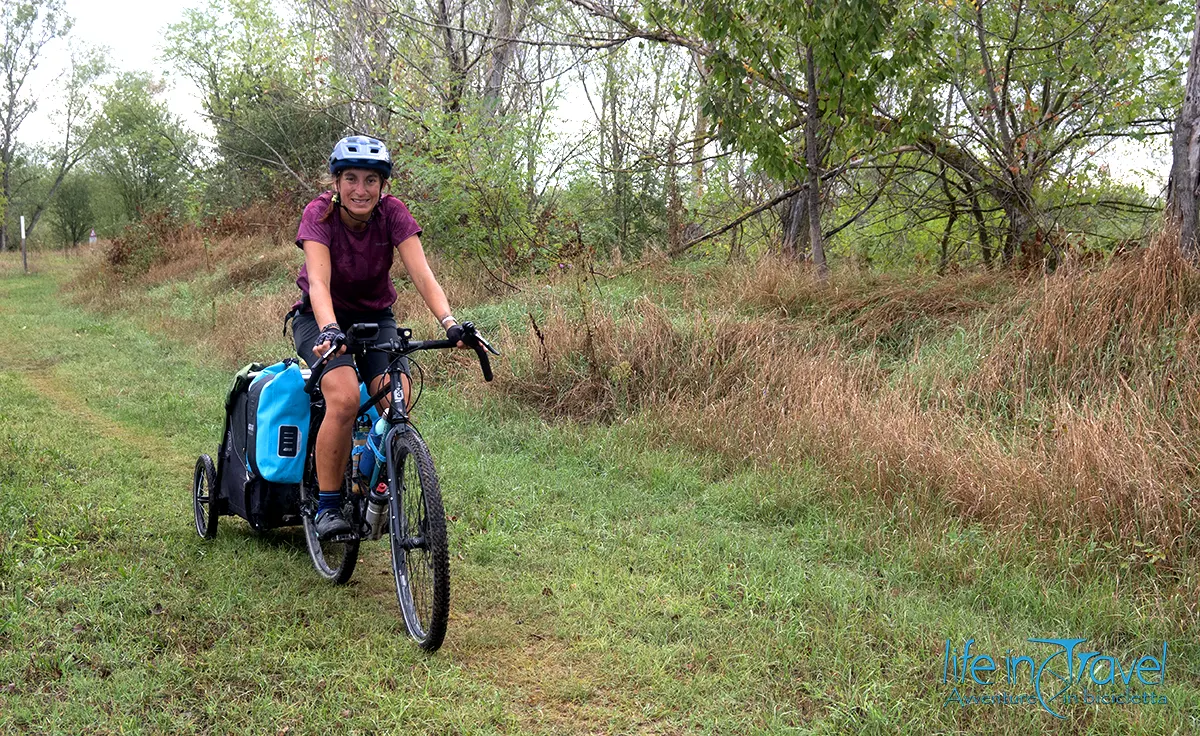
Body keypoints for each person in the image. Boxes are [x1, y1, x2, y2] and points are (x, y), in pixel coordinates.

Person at [288, 135, 466, 539]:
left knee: (397, 398)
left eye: (371, 180)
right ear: (336, 182)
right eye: (350, 178)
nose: (360, 189)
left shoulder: (394, 214)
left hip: (376, 317)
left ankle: (378, 488)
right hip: (320, 319)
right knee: (346, 396)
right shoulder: (319, 214)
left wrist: (449, 322)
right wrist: (331, 329)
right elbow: (317, 281)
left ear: (383, 185)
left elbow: (422, 274)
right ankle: (329, 506)